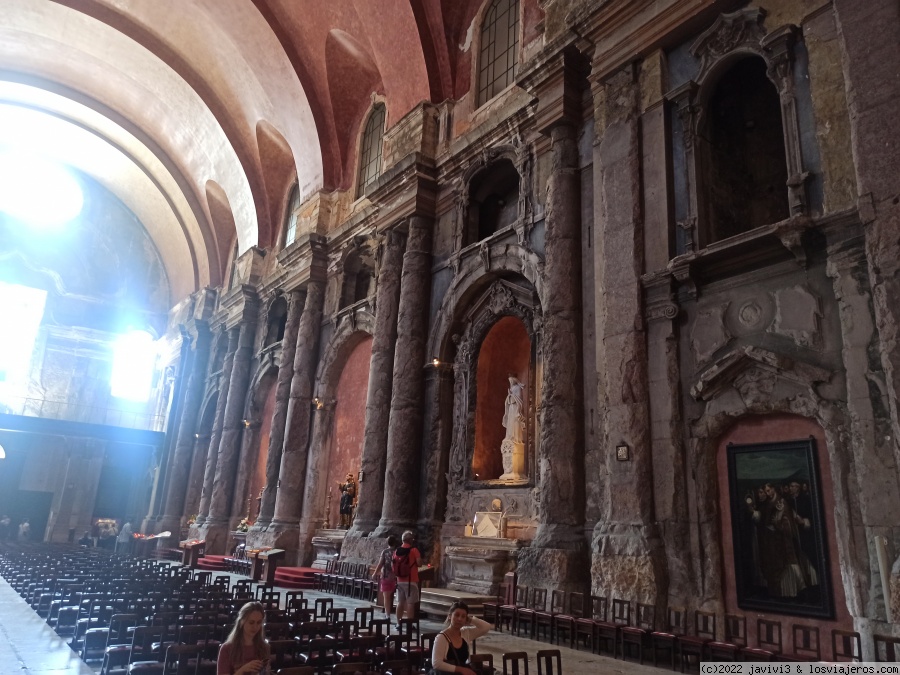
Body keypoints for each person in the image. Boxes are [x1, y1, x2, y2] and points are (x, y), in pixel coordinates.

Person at [431, 601, 493, 675]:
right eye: (457, 615)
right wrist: (461, 670)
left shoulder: (466, 632)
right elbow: (436, 663)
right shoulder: (441, 637)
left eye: (463, 616)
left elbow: (486, 627)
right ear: (450, 616)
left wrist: (470, 619)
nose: (459, 619)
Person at [217, 601, 270, 674]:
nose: (255, 627)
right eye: (251, 622)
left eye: (259, 623)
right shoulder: (227, 649)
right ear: (242, 621)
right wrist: (242, 670)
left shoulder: (264, 647)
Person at [394, 530, 422, 625]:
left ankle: (398, 623)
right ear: (410, 540)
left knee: (400, 602)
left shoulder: (396, 551)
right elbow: (419, 563)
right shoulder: (414, 550)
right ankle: (409, 624)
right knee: (410, 603)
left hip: (399, 580)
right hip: (411, 580)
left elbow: (392, 565)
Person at [372, 535, 400, 617]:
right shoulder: (397, 552)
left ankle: (387, 615)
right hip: (396, 576)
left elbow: (380, 564)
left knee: (386, 597)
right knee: (394, 596)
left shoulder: (385, 552)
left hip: (386, 576)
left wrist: (375, 573)